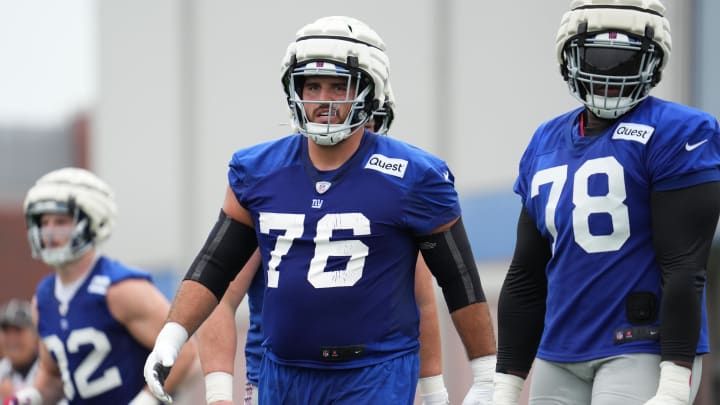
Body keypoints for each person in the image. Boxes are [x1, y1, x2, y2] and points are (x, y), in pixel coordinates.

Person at [145, 15, 497, 405]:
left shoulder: (412, 175)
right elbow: (215, 266)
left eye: (338, 86)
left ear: (369, 90)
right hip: (283, 370)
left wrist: (483, 374)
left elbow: (458, 280)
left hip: (373, 372)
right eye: (312, 86)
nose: (324, 100)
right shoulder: (258, 171)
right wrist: (173, 334)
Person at [493, 1, 720, 404]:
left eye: (626, 60)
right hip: (558, 352)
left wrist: (673, 381)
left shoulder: (677, 130)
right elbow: (526, 274)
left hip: (641, 346)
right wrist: (505, 385)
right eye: (595, 57)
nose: (610, 73)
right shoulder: (545, 140)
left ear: (652, 63)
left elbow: (684, 266)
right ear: (570, 58)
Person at [196, 93, 452, 405]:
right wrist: (219, 395)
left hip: (367, 380)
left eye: (367, 126)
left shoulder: (391, 203)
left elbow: (422, 303)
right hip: (281, 381)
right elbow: (219, 297)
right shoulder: (276, 197)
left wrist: (434, 393)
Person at [6, 167, 198, 405]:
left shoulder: (121, 288)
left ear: (92, 221)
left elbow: (184, 354)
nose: (50, 231)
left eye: (61, 221)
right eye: (44, 222)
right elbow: (54, 375)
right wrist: (28, 397)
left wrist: (145, 400)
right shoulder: (43, 299)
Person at [0, 300, 40, 402]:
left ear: (35, 334)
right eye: (6, 330)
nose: (11, 338)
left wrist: (14, 397)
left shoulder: (51, 373)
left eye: (18, 330)